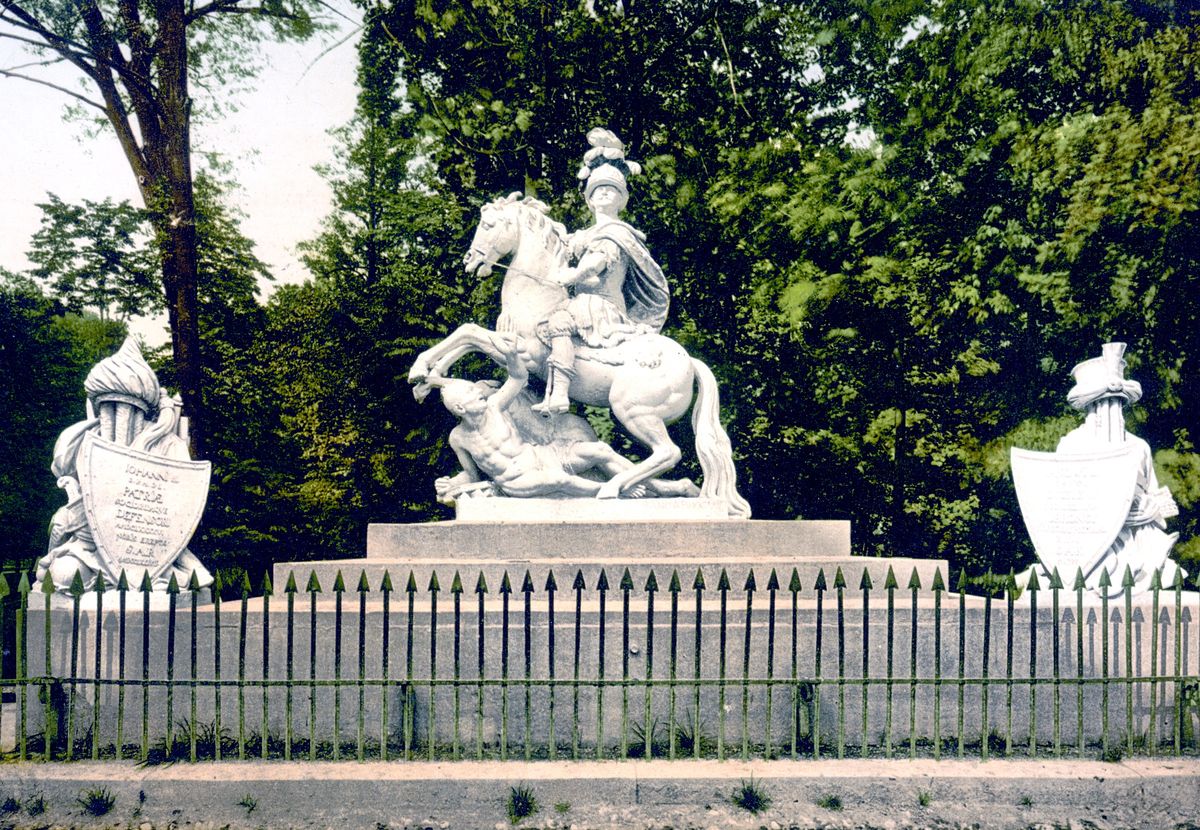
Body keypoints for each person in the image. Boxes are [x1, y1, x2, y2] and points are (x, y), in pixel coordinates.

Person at [436, 345, 697, 502]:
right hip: (520, 479)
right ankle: (614, 491)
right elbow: (471, 474)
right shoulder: (458, 438)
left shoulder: (495, 407)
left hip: (544, 455)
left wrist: (511, 353)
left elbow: (517, 377)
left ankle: (660, 487)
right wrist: (452, 483)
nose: (480, 393)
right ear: (460, 408)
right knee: (561, 480)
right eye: (472, 394)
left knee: (600, 450)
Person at [532, 128, 670, 415]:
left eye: (612, 190)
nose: (605, 194)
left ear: (621, 199)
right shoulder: (583, 234)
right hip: (582, 303)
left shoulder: (617, 233)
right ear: (590, 199)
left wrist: (575, 275)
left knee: (558, 322)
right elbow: (559, 251)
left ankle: (559, 394)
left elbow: (598, 261)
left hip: (603, 307)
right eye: (599, 190)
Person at [1057, 342, 1182, 595]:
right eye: (1102, 403)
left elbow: (1154, 495)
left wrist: (1150, 509)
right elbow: (1062, 505)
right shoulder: (1071, 445)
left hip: (1137, 538)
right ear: (1089, 407)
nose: (1110, 410)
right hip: (1091, 541)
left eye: (1117, 402)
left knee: (1158, 563)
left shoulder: (1139, 446)